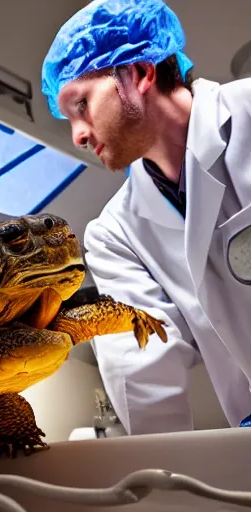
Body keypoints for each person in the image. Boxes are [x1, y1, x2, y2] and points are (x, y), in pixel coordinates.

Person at [41, 0, 251, 435]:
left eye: (80, 104)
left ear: (138, 72)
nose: (78, 135)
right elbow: (142, 383)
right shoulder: (115, 235)